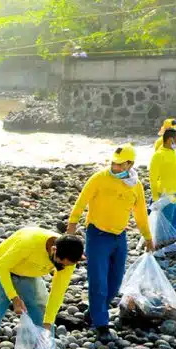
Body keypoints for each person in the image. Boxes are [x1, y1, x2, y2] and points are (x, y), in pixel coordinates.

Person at [67, 144, 154, 336]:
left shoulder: (135, 185)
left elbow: (140, 213)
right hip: (97, 235)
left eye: (119, 164)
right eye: (113, 163)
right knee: (98, 281)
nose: (115, 167)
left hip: (119, 236)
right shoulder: (99, 178)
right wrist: (72, 224)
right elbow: (81, 201)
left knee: (115, 282)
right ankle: (101, 324)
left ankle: (95, 312)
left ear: (130, 164)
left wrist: (147, 236)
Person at [148, 127, 176, 255]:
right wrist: (155, 199)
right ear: (170, 140)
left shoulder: (175, 153)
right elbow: (153, 179)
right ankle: (158, 248)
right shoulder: (158, 155)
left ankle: (171, 244)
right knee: (164, 221)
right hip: (167, 194)